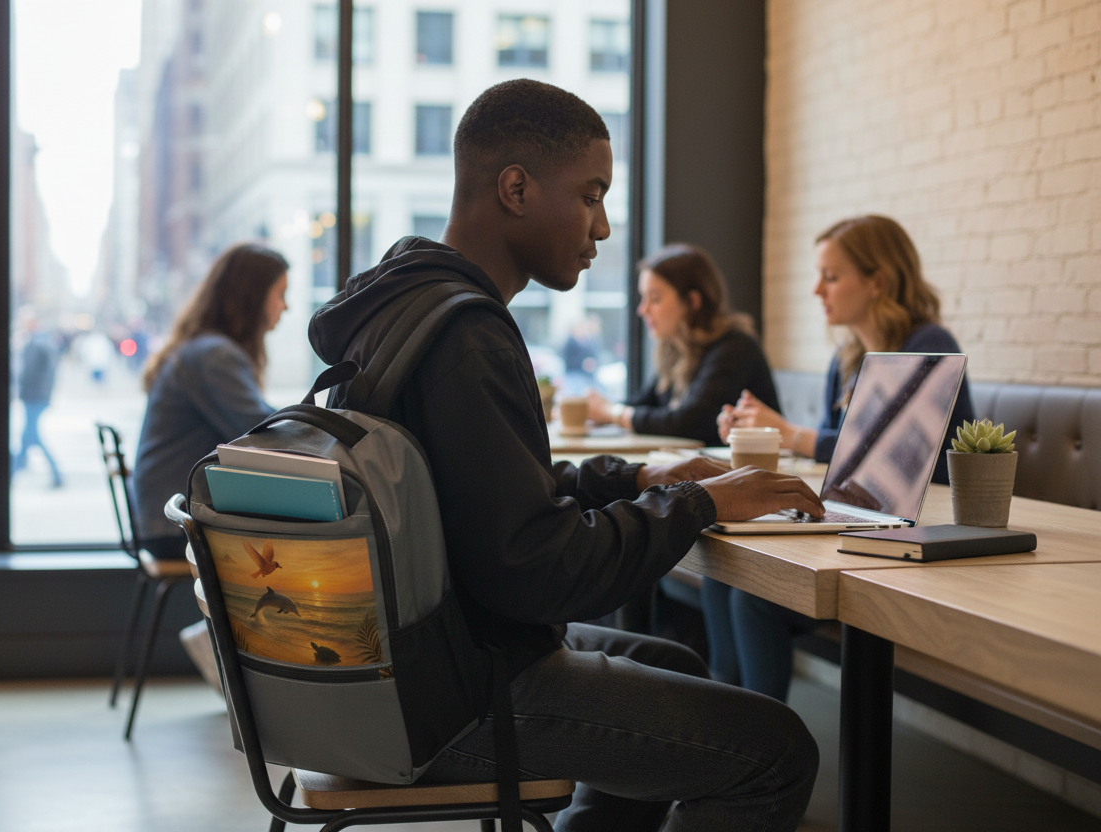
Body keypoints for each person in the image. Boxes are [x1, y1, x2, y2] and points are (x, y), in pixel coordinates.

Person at [309, 78, 821, 832]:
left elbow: (485, 494)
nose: (603, 227)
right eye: (591, 196)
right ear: (516, 189)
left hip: (406, 661)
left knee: (673, 663)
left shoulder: (405, 305)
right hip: (451, 697)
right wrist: (699, 503)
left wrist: (640, 476)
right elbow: (541, 573)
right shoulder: (468, 336)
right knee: (776, 751)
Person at [706, 214, 977, 701]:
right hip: (861, 518)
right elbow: (841, 459)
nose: (817, 290)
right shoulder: (847, 358)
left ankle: (755, 735)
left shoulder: (930, 347)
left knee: (752, 598)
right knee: (725, 574)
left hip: (920, 527)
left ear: (878, 281)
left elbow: (895, 459)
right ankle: (722, 714)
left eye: (831, 276)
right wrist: (770, 433)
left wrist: (791, 434)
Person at [131, 243, 289, 562]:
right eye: (280, 294)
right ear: (252, 298)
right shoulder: (215, 356)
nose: (285, 307)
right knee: (311, 546)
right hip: (175, 527)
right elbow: (259, 433)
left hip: (161, 518)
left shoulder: (203, 348)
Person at [588, 243, 779, 446]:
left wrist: (612, 413)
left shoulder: (735, 348)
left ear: (692, 301)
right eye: (643, 298)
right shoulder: (675, 350)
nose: (642, 310)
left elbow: (687, 423)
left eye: (655, 299)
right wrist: (597, 409)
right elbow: (645, 402)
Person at [12, 312, 63, 488]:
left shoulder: (37, 343)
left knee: (31, 436)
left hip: (34, 397)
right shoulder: (40, 342)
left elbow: (30, 372)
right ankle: (16, 467)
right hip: (36, 396)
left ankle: (16, 468)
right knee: (28, 436)